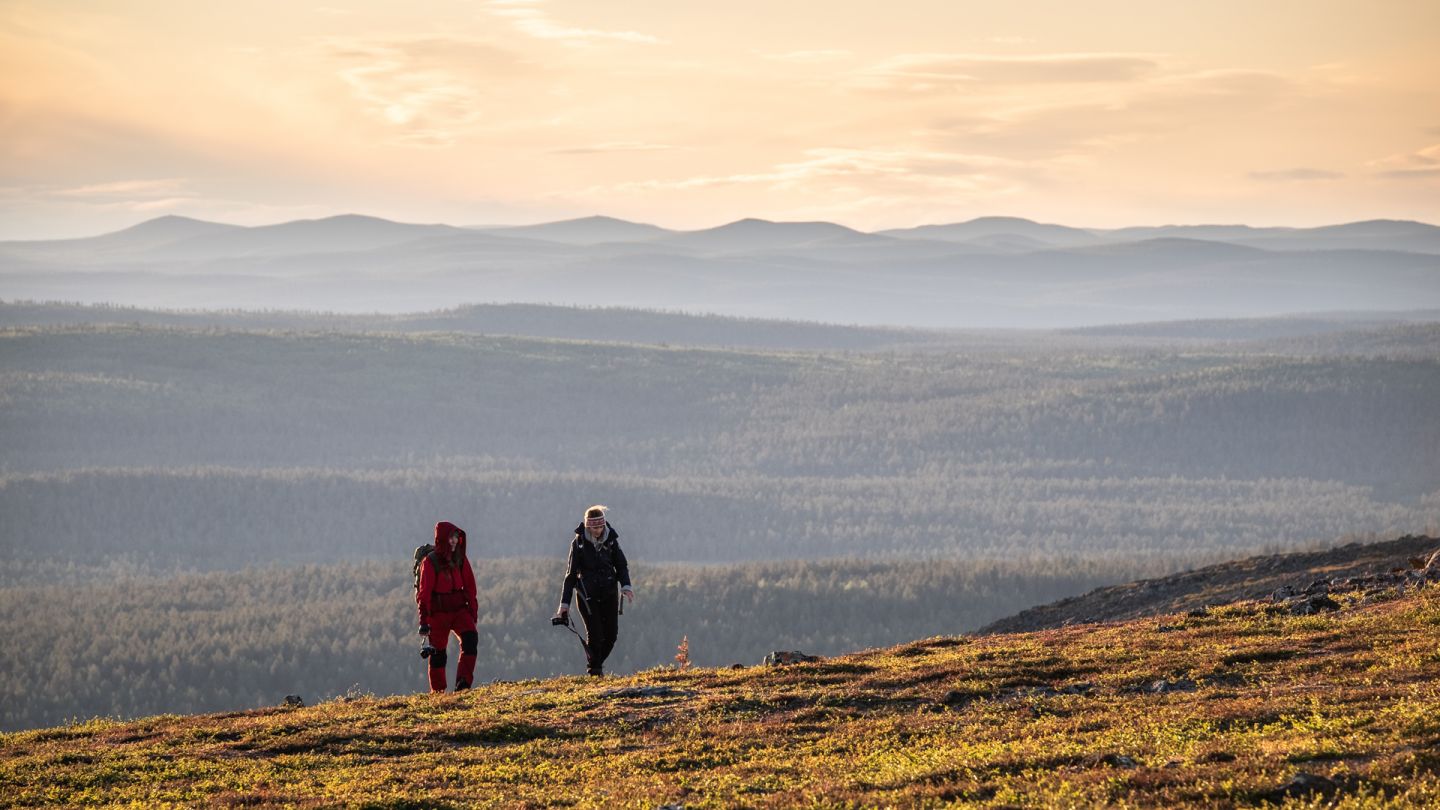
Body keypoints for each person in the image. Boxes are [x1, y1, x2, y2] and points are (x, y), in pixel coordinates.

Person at [554, 505, 634, 676]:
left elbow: (621, 565)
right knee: (596, 636)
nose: (598, 530)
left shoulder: (611, 540)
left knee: (611, 636)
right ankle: (595, 673)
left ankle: (595, 666)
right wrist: (564, 604)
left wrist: (626, 586)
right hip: (586, 597)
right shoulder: (578, 544)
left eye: (600, 526)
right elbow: (570, 576)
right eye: (594, 527)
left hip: (609, 594)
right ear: (588, 526)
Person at [416, 520, 479, 692]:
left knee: (471, 641)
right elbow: (424, 594)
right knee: (438, 654)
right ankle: (438, 694)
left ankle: (463, 685)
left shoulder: (459, 558)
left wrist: (473, 613)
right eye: (451, 537)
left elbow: (470, 587)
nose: (454, 541)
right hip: (438, 614)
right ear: (442, 538)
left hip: (460, 611)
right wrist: (424, 621)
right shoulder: (429, 563)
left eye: (456, 537)